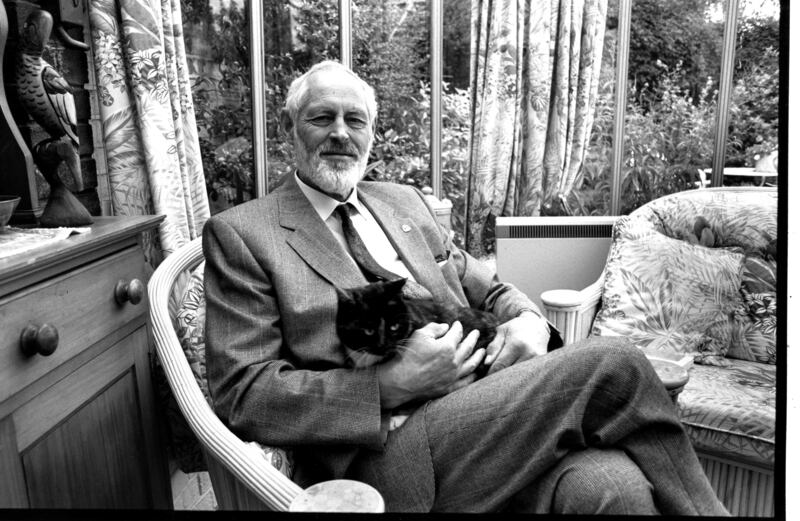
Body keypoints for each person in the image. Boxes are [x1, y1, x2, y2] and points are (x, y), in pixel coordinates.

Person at [203, 60, 729, 515]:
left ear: (370, 132)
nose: (340, 133)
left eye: (355, 120)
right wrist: (389, 385)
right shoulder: (244, 233)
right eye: (322, 117)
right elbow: (243, 392)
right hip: (391, 449)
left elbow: (487, 288)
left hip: (489, 408)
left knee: (613, 487)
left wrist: (525, 320)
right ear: (290, 126)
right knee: (615, 364)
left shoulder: (403, 203)